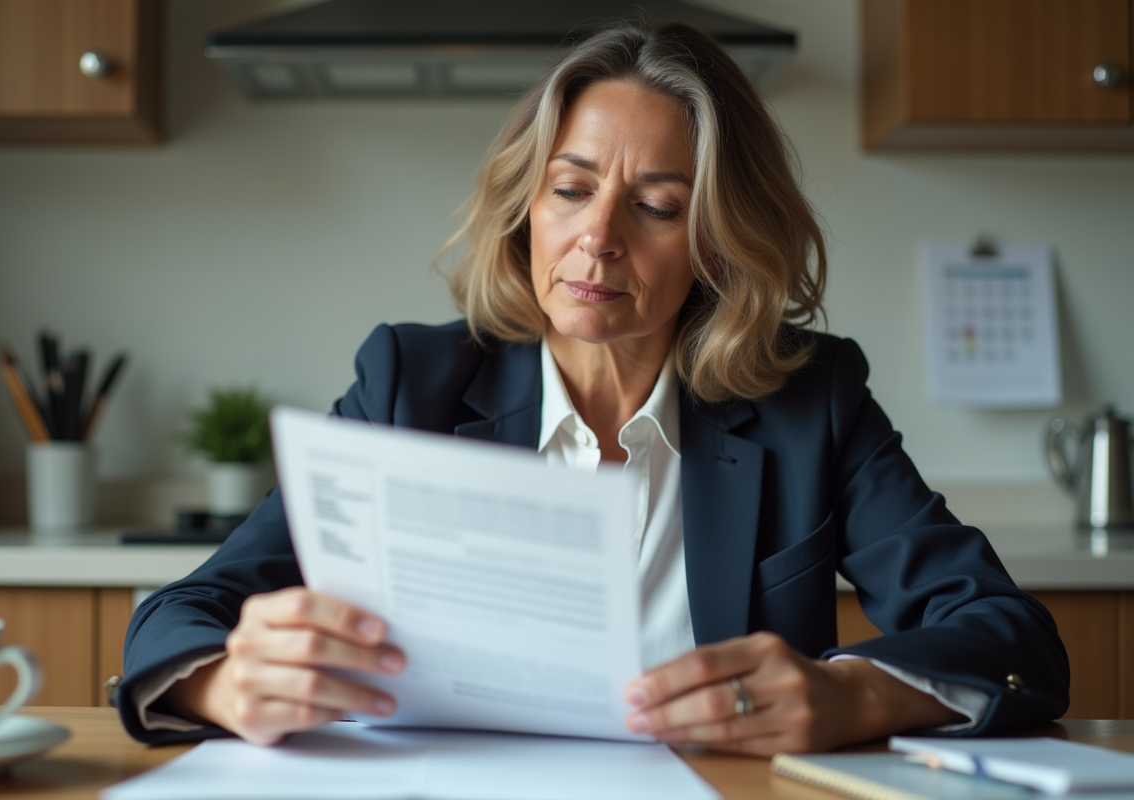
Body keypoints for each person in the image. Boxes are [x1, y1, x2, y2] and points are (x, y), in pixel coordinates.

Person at [116, 22, 1069, 755]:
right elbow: (181, 614)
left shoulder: (808, 400)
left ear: (715, 243)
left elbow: (1010, 635)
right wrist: (220, 683)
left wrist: (853, 693)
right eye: (571, 190)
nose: (599, 237)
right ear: (525, 207)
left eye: (657, 206)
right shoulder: (414, 383)